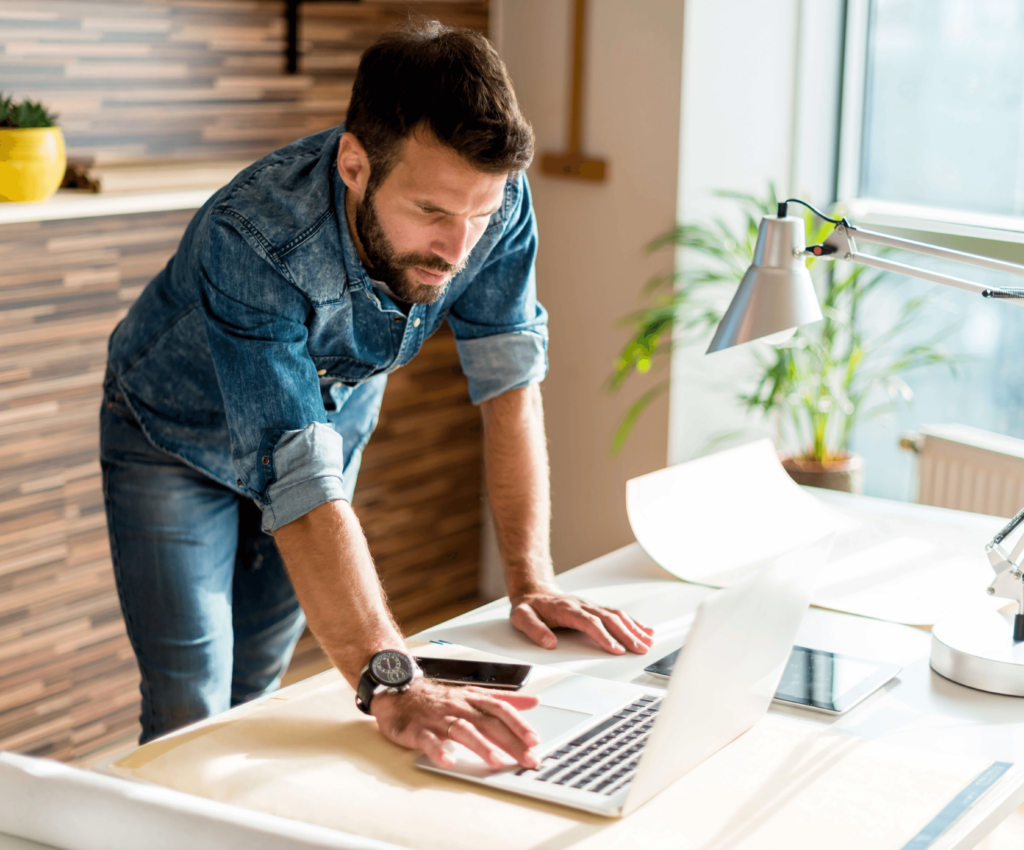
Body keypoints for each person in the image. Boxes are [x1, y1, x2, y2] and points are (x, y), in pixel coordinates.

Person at [100, 19, 654, 770]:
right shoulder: (254, 235)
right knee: (190, 702)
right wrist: (394, 681)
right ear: (355, 164)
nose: (458, 249)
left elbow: (509, 384)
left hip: (327, 424)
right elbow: (293, 471)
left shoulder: (490, 202)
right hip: (174, 437)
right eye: (430, 212)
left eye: (479, 215)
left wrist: (531, 580)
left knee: (258, 686)